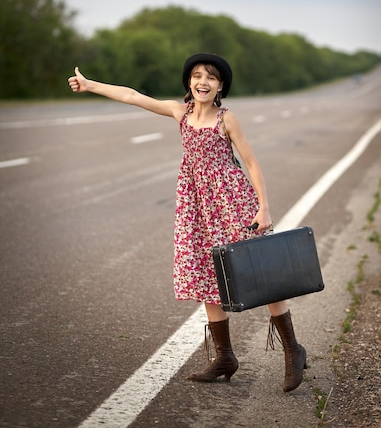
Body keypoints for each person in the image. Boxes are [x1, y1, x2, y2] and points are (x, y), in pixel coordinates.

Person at [68, 53, 306, 392]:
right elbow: (133, 96)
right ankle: (225, 357)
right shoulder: (181, 113)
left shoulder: (228, 120)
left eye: (210, 77)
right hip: (196, 205)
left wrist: (263, 208)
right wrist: (90, 85)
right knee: (205, 271)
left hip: (232, 200)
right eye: (196, 76)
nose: (202, 82)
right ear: (189, 82)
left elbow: (252, 164)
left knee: (259, 271)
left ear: (220, 85)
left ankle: (293, 350)